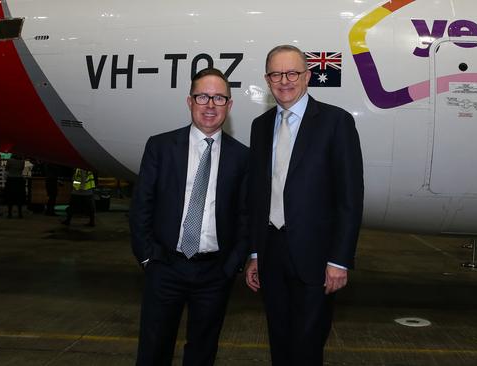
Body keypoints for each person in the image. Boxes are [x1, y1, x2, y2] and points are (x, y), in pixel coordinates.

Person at [245, 45, 364, 366]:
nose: (284, 81)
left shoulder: (336, 123)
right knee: (279, 342)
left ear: (308, 76)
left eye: (292, 73)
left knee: (308, 347)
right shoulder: (260, 126)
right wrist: (255, 253)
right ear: (267, 79)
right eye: (276, 74)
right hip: (271, 253)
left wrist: (340, 260)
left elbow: (350, 198)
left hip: (316, 258)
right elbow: (258, 196)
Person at [129, 68, 249, 366]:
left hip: (214, 274)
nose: (210, 104)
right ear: (190, 101)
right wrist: (148, 257)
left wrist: (232, 265)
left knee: (202, 353)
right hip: (165, 266)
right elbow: (142, 205)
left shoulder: (243, 157)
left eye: (219, 98)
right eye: (203, 96)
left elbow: (246, 215)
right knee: (154, 350)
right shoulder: (160, 147)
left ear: (229, 105)